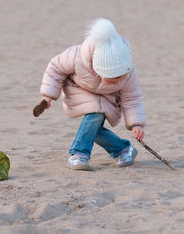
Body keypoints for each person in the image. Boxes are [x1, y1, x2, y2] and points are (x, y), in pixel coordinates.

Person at [39, 18, 146, 170]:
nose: (117, 83)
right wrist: (48, 95)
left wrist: (136, 124)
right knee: (94, 117)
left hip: (108, 99)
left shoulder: (129, 73)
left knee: (92, 127)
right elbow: (55, 68)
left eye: (120, 78)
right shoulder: (76, 56)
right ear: (98, 70)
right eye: (112, 79)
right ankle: (80, 154)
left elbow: (132, 99)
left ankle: (122, 149)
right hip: (80, 90)